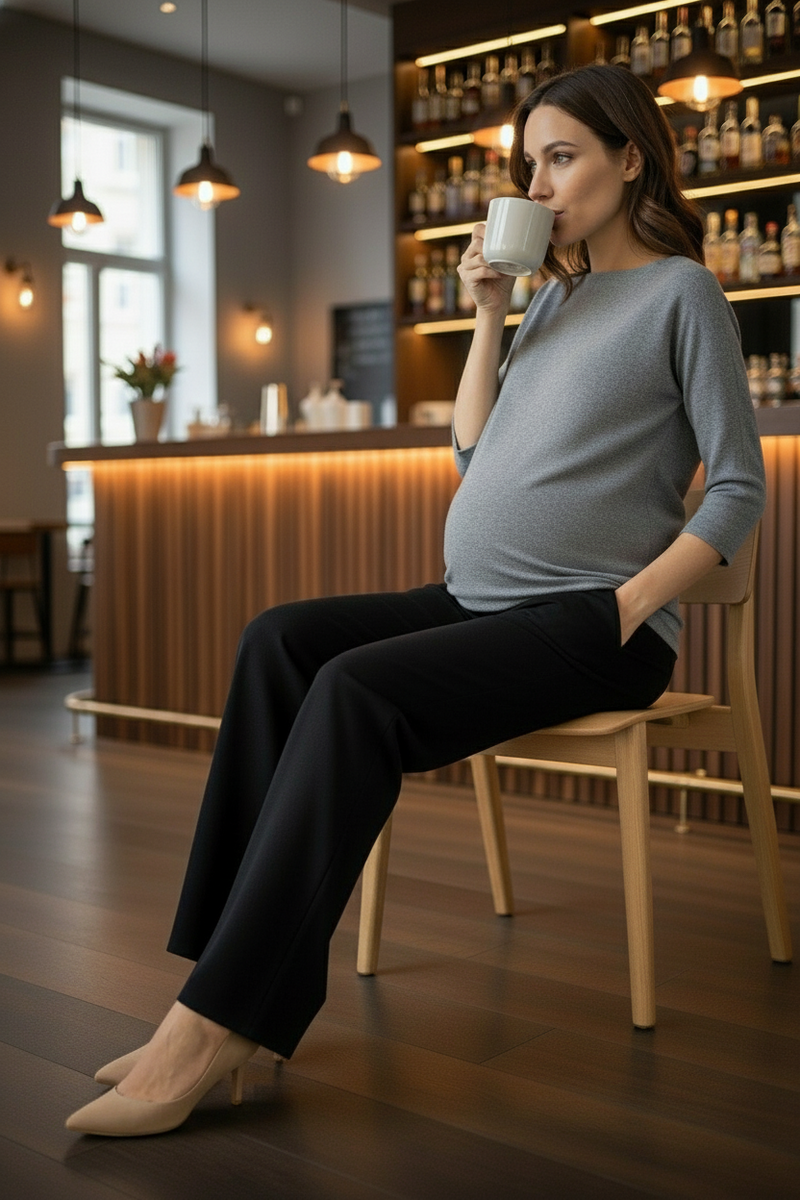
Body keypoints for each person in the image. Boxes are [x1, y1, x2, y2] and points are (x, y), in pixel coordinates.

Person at [66, 64, 765, 1137]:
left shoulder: (681, 295)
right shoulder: (554, 297)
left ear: (631, 159)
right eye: (526, 163)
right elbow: (473, 454)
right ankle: (220, 985)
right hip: (474, 600)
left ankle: (212, 1028)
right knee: (278, 643)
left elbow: (735, 487)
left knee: (352, 694)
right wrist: (489, 313)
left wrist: (627, 605)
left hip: (588, 623)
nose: (536, 184)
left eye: (561, 157)